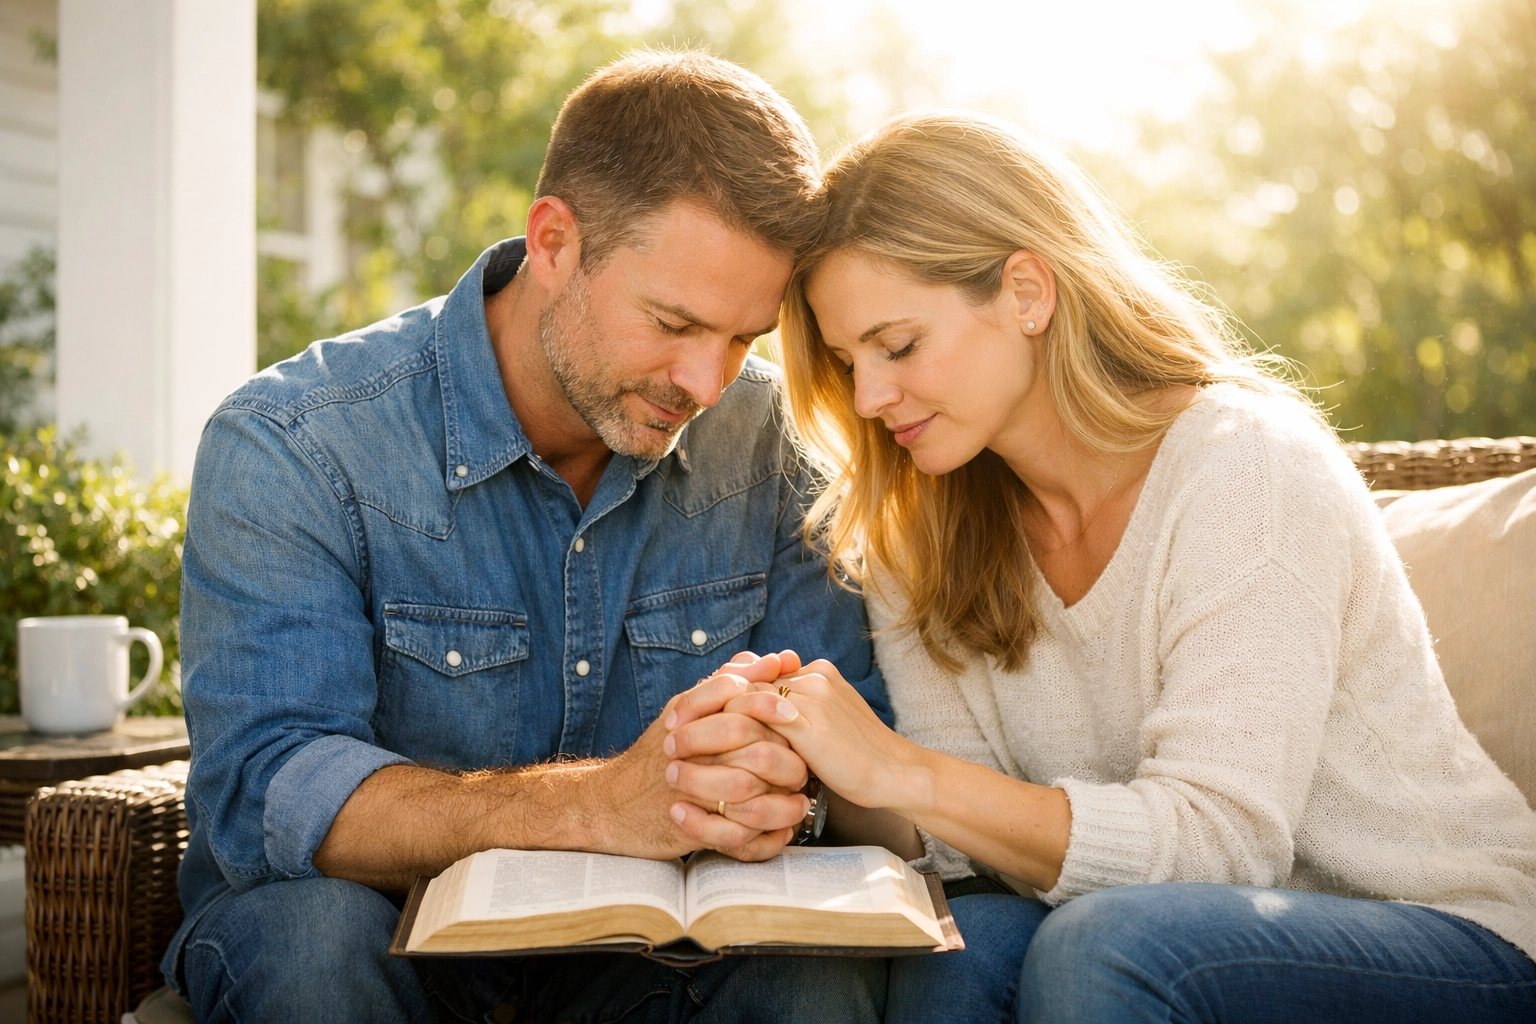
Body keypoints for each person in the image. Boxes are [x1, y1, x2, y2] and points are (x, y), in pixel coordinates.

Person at [664, 112, 1536, 1022]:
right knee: (953, 951)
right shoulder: (921, 528)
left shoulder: (1246, 468)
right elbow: (970, 849)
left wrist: (903, 769)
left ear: (1027, 292)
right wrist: (804, 764)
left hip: (1449, 937)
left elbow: (1221, 847)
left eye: (900, 345)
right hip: (1152, 928)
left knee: (1105, 948)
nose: (872, 397)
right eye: (849, 363)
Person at [164, 51, 894, 1024]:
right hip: (380, 936)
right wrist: (595, 805)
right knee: (309, 944)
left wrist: (778, 793)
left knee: (810, 973)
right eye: (673, 321)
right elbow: (267, 791)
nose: (707, 381)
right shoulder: (296, 444)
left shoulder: (771, 443)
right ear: (553, 240)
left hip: (650, 957)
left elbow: (846, 758)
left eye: (743, 337)